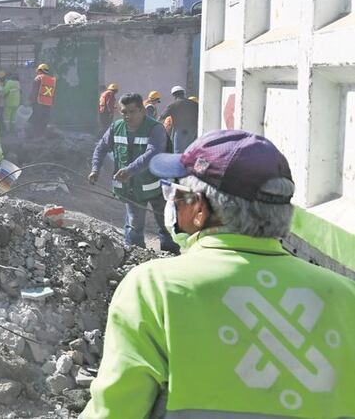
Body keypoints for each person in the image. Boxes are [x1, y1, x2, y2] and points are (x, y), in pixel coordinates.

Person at [83, 129, 355, 418]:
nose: (171, 202)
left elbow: (114, 411)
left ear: (199, 209)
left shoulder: (153, 288)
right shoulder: (346, 296)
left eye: (174, 193)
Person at [89, 93, 178, 253]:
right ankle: (136, 258)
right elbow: (101, 148)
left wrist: (130, 170)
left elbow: (153, 153)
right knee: (134, 226)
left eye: (132, 111)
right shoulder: (116, 128)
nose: (127, 116)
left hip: (158, 187)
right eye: (124, 112)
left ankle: (170, 256)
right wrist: (95, 168)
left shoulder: (155, 129)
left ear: (142, 111)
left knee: (166, 225)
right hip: (133, 189)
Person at [160, 86, 199, 153]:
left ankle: (178, 163)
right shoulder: (194, 104)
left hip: (180, 131)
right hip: (193, 131)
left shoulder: (173, 105)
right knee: (190, 151)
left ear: (174, 95)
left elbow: (162, 117)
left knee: (178, 151)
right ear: (183, 93)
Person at [30, 64, 56, 137]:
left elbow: (34, 91)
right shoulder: (52, 80)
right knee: (44, 121)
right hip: (48, 104)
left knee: (36, 120)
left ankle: (36, 136)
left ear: (40, 71)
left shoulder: (38, 78)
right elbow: (53, 93)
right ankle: (42, 136)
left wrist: (31, 100)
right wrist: (52, 103)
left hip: (38, 103)